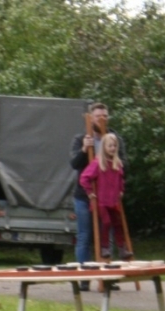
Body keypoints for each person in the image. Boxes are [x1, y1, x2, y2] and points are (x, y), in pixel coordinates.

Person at [68, 102, 125, 266]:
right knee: (84, 236)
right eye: (98, 116)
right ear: (91, 118)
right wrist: (84, 150)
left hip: (107, 196)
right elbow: (74, 164)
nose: (102, 119)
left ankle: (107, 278)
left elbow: (124, 165)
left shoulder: (114, 139)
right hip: (85, 195)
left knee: (107, 233)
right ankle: (84, 279)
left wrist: (112, 160)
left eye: (105, 116)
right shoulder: (81, 139)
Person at [79, 133, 129, 260]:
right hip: (101, 201)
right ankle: (104, 247)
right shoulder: (98, 163)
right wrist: (90, 192)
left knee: (118, 223)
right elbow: (84, 177)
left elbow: (121, 179)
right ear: (104, 147)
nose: (112, 148)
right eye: (110, 146)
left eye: (114, 146)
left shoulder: (117, 163)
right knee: (106, 222)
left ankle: (122, 248)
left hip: (113, 200)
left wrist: (121, 190)